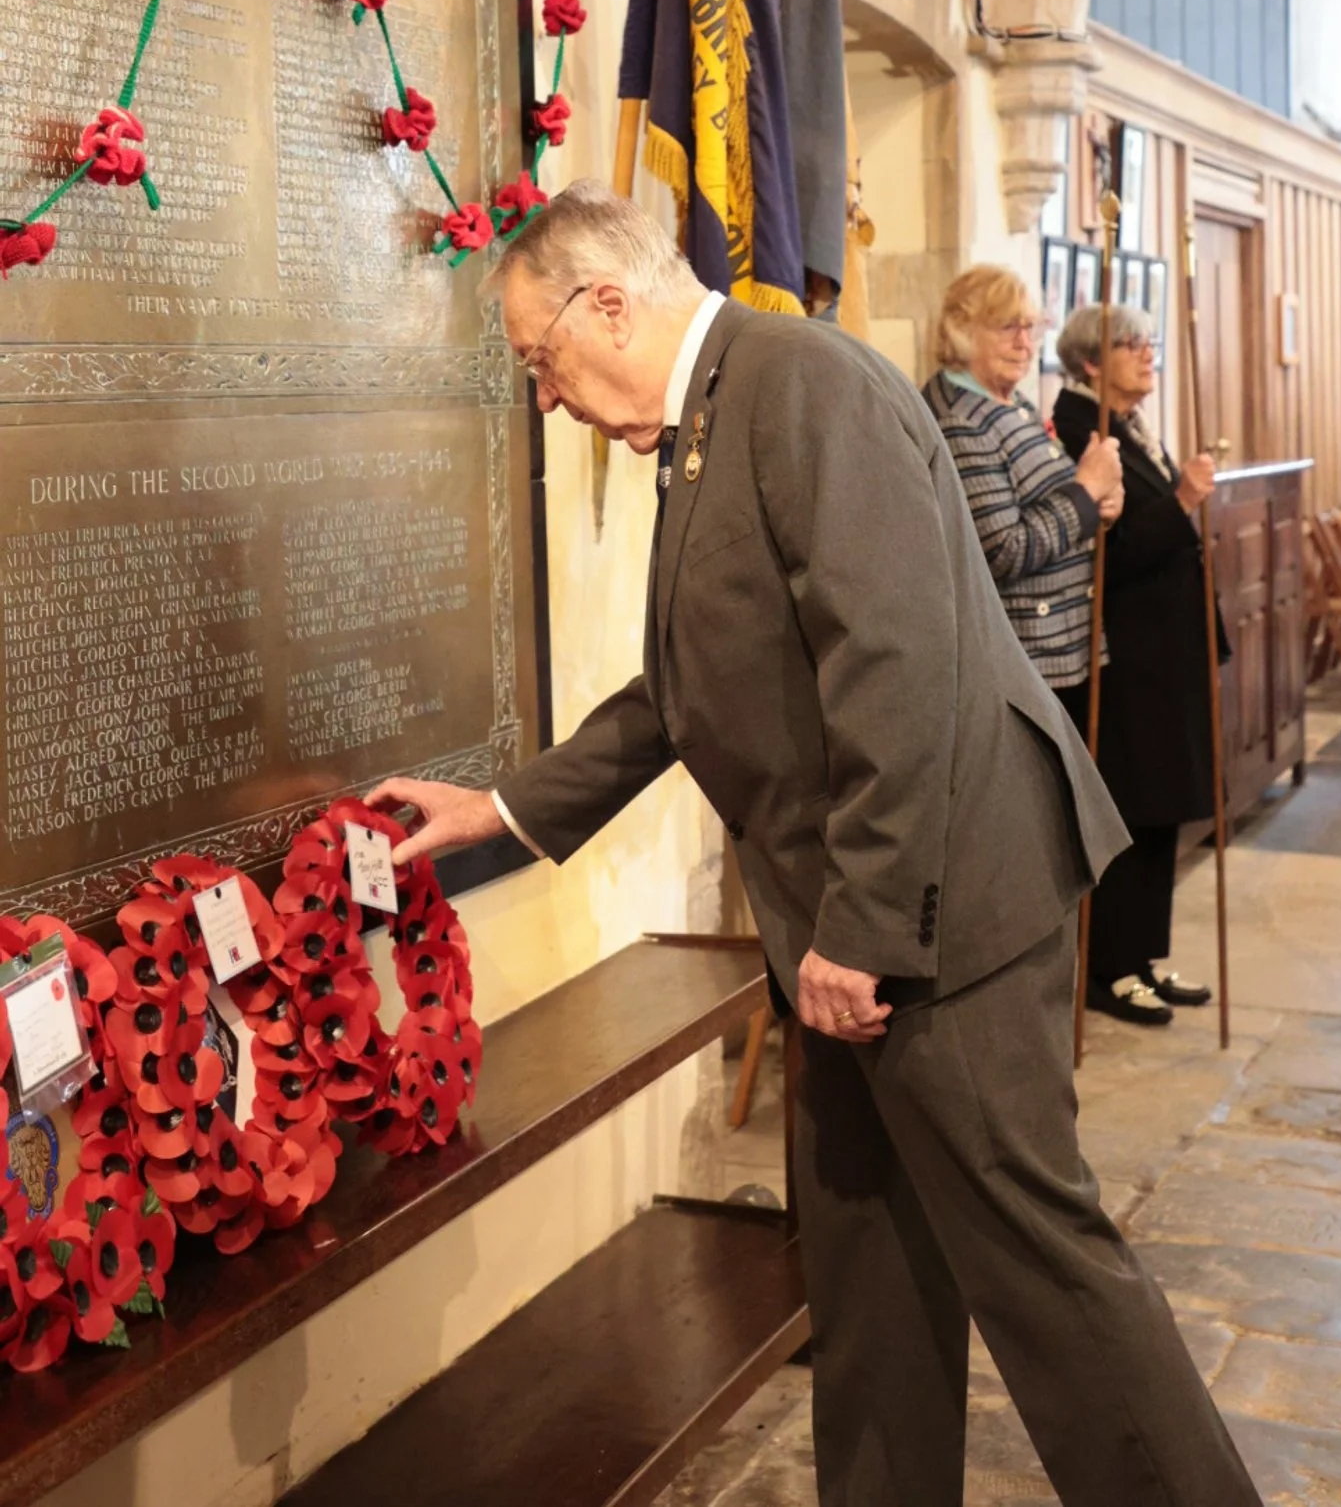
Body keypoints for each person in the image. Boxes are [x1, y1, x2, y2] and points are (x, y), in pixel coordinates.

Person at [373, 184, 1262, 1507]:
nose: (546, 398)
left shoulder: (801, 385)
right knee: (870, 1278)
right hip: (848, 921)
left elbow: (897, 665)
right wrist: (505, 808)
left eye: (538, 360)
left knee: (1044, 1273)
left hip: (939, 911)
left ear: (605, 305)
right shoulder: (710, 413)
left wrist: (864, 929)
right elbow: (694, 681)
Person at [1052, 303, 1222, 1031]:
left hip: (1163, 651)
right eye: (1131, 345)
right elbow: (1105, 556)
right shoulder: (1078, 431)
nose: (1149, 354)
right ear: (1091, 361)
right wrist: (1181, 499)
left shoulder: (1129, 424)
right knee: (1127, 811)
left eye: (1150, 342)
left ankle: (1145, 957)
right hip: (1124, 654)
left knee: (1160, 811)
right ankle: (1108, 969)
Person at [921, 264, 1124, 731]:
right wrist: (1086, 491)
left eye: (1030, 328)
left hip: (1061, 647)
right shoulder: (961, 422)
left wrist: (1102, 507)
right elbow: (1003, 551)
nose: (1024, 343)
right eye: (1007, 327)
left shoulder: (1012, 402)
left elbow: (1052, 500)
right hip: (1023, 661)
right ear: (962, 331)